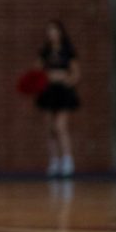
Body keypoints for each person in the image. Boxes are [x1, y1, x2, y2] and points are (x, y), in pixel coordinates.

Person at [36, 20, 81, 177]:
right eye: (49, 31)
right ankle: (54, 160)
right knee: (50, 128)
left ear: (60, 32)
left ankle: (67, 160)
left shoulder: (68, 51)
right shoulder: (45, 52)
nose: (52, 34)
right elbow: (37, 71)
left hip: (62, 91)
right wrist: (47, 77)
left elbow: (76, 74)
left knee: (61, 126)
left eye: (54, 30)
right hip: (49, 91)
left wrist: (65, 79)